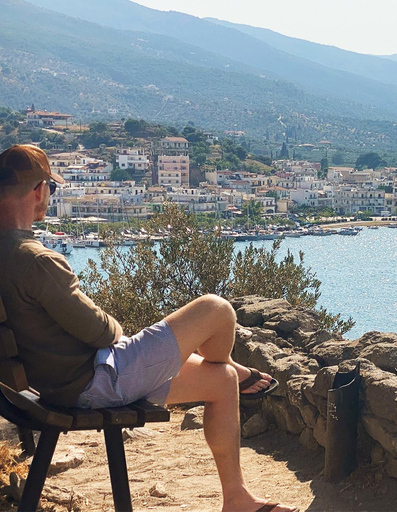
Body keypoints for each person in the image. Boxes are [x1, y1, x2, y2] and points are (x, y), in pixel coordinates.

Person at [0, 145, 296, 512]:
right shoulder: (37, 260)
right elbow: (103, 332)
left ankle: (236, 499)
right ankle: (232, 362)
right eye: (52, 189)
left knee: (221, 381)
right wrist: (114, 325)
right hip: (94, 381)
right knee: (217, 309)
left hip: (56, 383)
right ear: (40, 191)